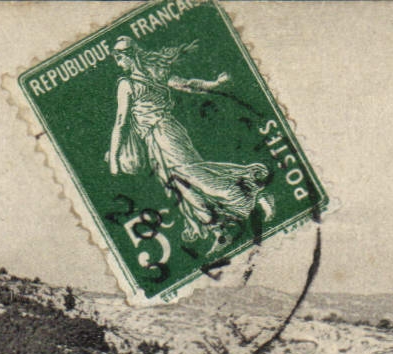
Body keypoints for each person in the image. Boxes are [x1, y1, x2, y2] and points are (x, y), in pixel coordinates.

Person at [104, 36, 272, 251]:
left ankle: (251, 194)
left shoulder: (127, 84)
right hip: (157, 138)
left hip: (163, 134)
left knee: (194, 176)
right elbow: (188, 85)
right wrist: (213, 84)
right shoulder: (156, 73)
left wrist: (114, 159)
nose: (119, 64)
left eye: (119, 59)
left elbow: (121, 122)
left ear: (130, 56)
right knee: (180, 185)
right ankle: (219, 229)